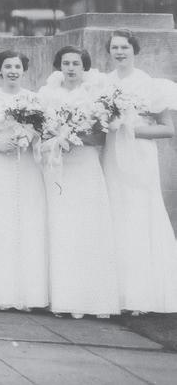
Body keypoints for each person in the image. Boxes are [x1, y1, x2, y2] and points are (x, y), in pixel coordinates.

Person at [38, 46, 119, 318]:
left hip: (84, 163)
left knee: (87, 226)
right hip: (58, 166)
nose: (71, 68)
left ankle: (92, 300)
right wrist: (57, 138)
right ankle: (63, 298)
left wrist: (74, 138)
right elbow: (41, 131)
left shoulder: (94, 96)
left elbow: (100, 137)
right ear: (59, 66)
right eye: (66, 63)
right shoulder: (47, 94)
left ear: (85, 66)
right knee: (61, 226)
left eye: (76, 63)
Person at [101, 29, 177, 313]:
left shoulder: (148, 83)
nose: (120, 52)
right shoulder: (104, 83)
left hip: (139, 155)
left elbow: (168, 129)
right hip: (112, 154)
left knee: (138, 215)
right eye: (115, 48)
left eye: (125, 47)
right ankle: (115, 293)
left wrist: (131, 129)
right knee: (114, 212)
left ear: (135, 50)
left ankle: (141, 296)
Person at [0, 51, 48, 311]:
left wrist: (29, 137)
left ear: (24, 70)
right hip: (0, 163)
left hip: (27, 164)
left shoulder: (34, 99)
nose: (13, 71)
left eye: (17, 66)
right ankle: (0, 293)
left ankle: (29, 294)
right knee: (0, 221)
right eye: (7, 66)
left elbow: (42, 131)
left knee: (28, 221)